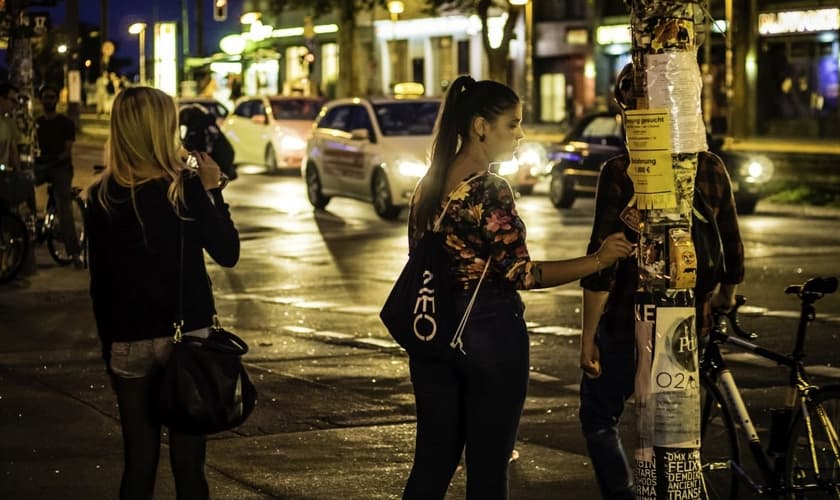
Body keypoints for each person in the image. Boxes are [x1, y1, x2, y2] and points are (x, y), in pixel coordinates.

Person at [402, 75, 633, 499]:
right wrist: (599, 260)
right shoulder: (490, 189)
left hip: (432, 336)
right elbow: (523, 274)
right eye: (513, 124)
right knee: (488, 471)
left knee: (431, 468)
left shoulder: (427, 187)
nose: (521, 134)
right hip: (490, 339)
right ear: (480, 127)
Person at [578, 63, 745, 499]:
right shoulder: (709, 167)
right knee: (676, 421)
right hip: (688, 322)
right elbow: (730, 243)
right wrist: (721, 295)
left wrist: (587, 336)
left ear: (628, 112)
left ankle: (625, 494)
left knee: (599, 416)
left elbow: (604, 259)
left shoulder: (622, 171)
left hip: (624, 317)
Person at [86, 86, 240, 500]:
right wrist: (214, 191)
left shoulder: (101, 197)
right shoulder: (183, 188)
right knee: (189, 466)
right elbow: (228, 252)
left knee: (139, 462)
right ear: (162, 129)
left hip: (128, 338)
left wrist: (109, 350)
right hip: (188, 335)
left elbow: (100, 287)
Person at [34, 84, 82, 268]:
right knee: (22, 186)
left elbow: (66, 151)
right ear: (41, 99)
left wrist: (52, 158)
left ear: (57, 99)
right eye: (46, 97)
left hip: (60, 167)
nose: (49, 100)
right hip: (41, 166)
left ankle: (75, 253)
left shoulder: (66, 123)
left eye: (52, 97)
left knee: (64, 207)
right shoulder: (37, 123)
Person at [0, 82, 20, 170]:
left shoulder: (9, 122)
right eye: (13, 101)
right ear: (1, 99)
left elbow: (13, 151)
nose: (15, 105)